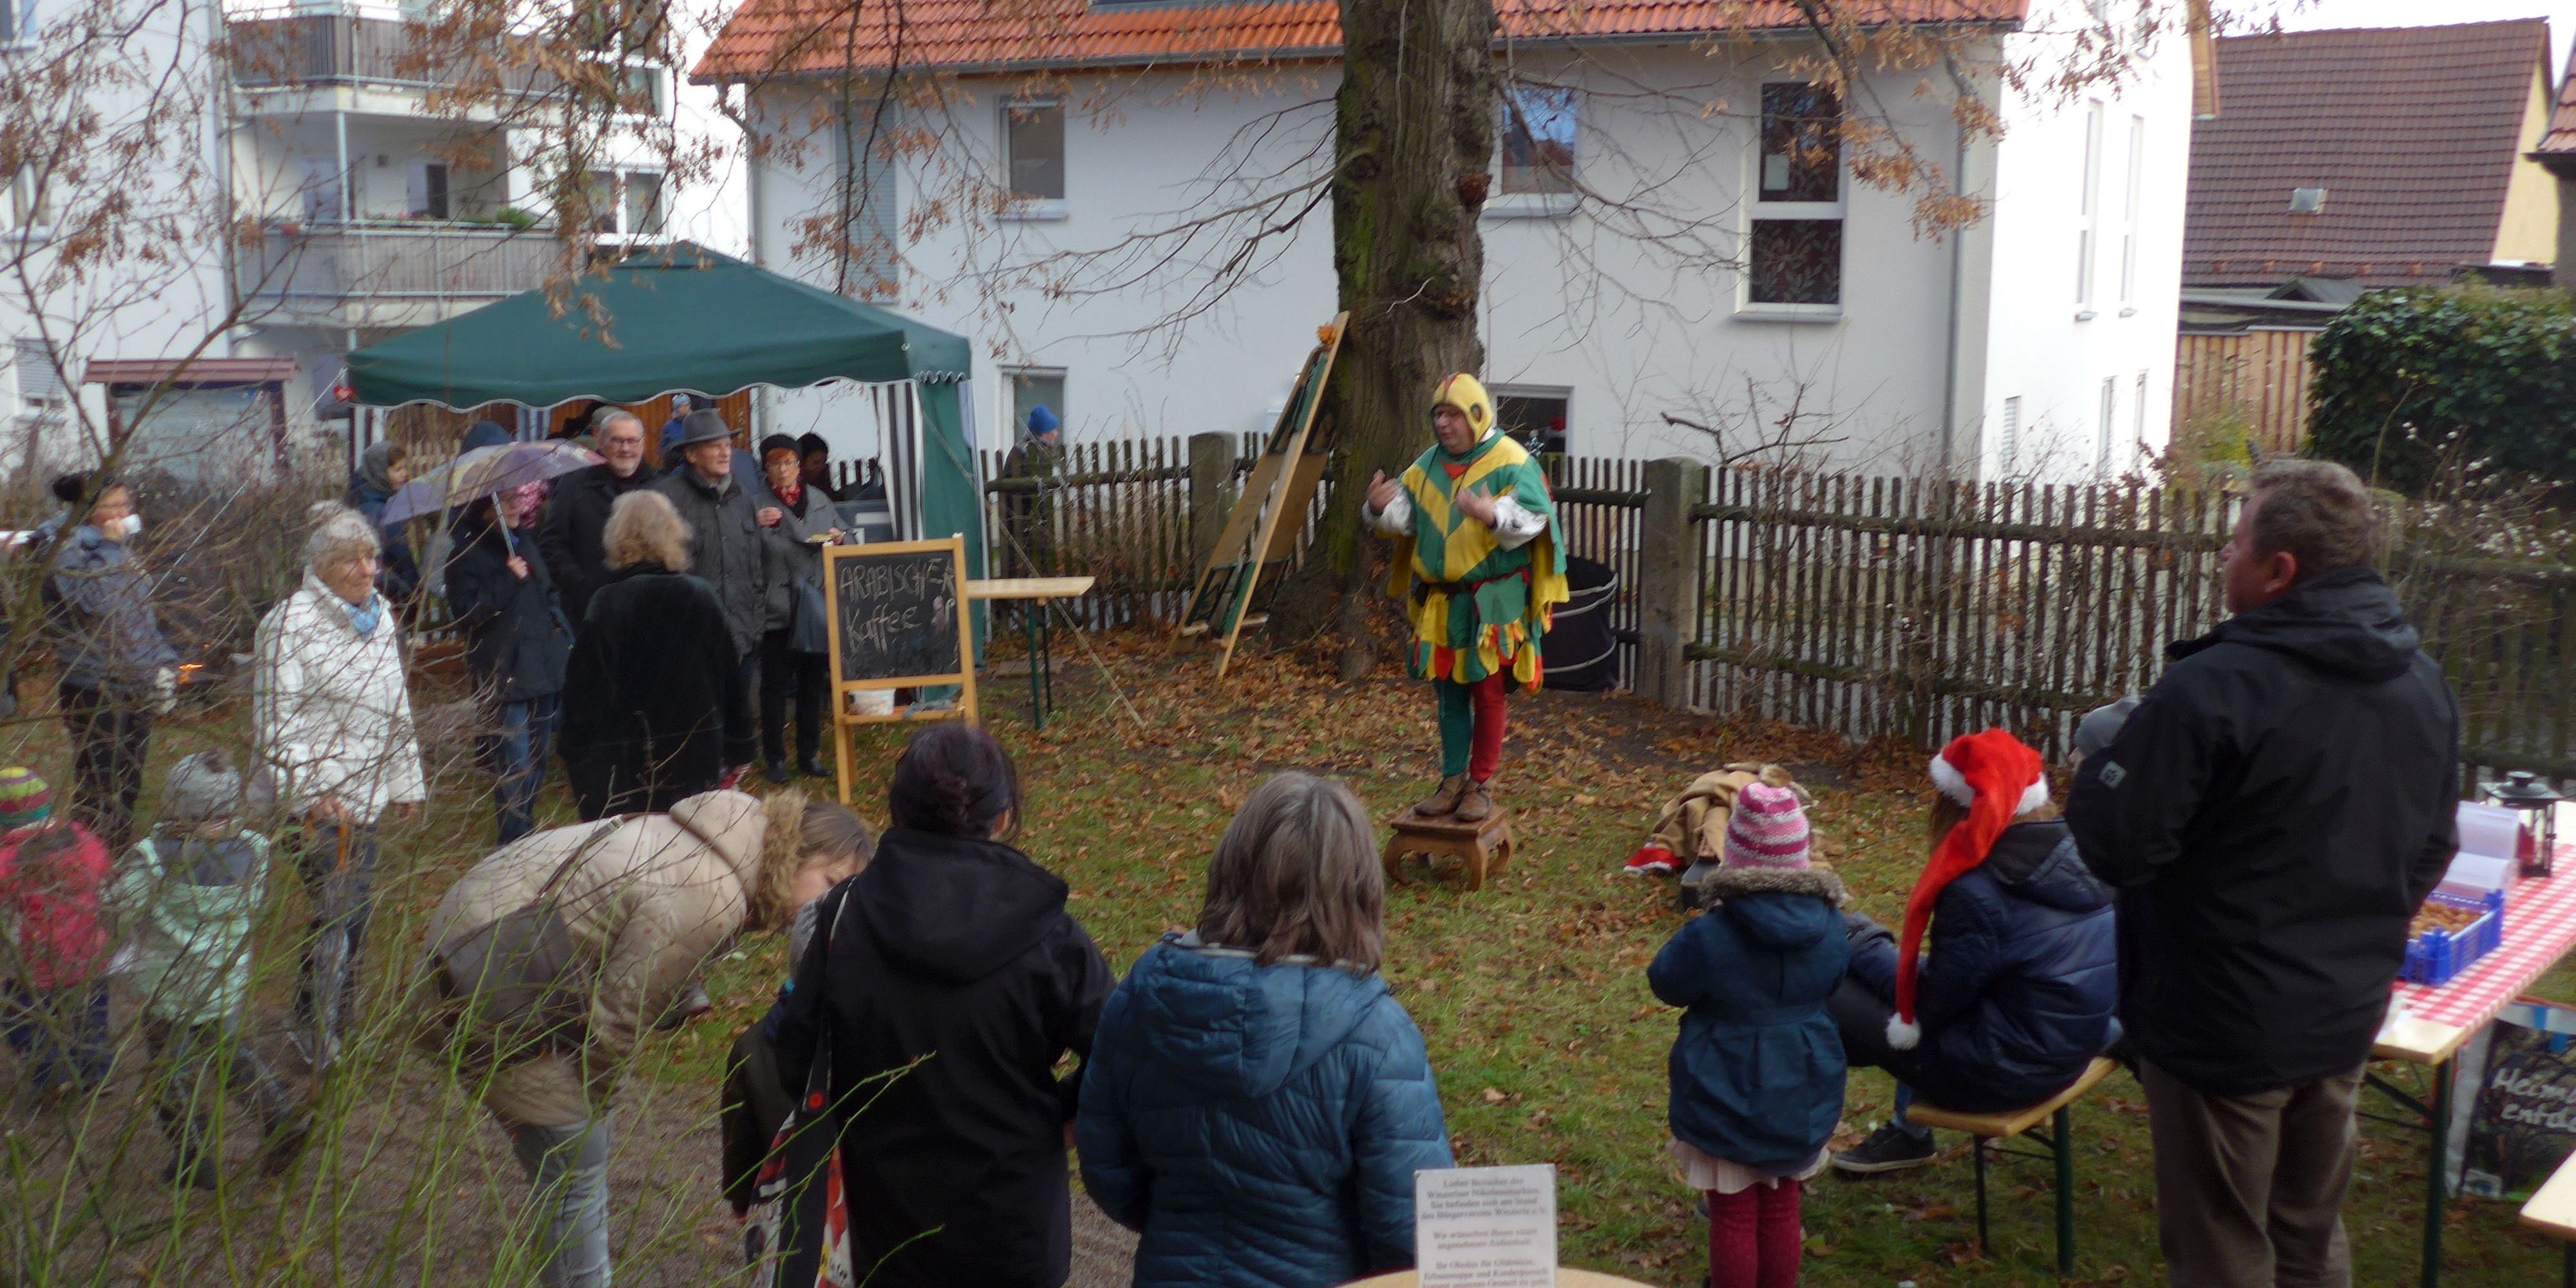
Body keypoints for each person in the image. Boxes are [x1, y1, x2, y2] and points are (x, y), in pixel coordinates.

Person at [2068, 458, 2459, 1288]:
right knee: (2308, 1236)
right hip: (2342, 1010)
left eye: (2235, 537)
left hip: (2223, 1027)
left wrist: (2097, 773)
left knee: (2223, 1247)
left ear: (2278, 570)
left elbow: (2120, 847)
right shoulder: (2421, 682)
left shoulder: (2213, 687)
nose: (2222, 553)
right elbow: (2433, 845)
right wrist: (2356, 934)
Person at [425, 788, 829, 1288]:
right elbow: (614, 1023)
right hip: (491, 972)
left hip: (486, 933)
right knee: (575, 1163)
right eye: (830, 882)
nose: (826, 905)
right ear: (801, 853)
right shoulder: (716, 891)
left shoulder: (723, 836)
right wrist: (595, 1102)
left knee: (572, 1154)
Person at [1077, 771, 1454, 1287]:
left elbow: (1107, 1168)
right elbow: (1411, 1233)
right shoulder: (1380, 1039)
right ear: (1358, 889)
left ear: (1233, 866)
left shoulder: (1140, 1003)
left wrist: (1185, 1226)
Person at [771, 725, 1114, 1288]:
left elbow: (796, 1060)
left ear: (896, 813)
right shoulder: (1050, 935)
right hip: (1012, 1231)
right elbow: (1122, 1046)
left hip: (881, 1223)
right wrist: (1061, 1115)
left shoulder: (834, 923)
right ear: (1002, 818)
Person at [1827, 729, 2116, 1174]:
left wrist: (1861, 940)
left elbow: (1927, 1005)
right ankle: (1903, 1133)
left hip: (2001, 1075)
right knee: (1874, 986)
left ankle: (1777, 1155)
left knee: (1825, 987)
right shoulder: (2076, 851)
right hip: (2063, 1052)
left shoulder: (1980, 889)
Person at [1646, 782, 1848, 1288]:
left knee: (1733, 1212)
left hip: (1724, 1084)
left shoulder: (1713, 935)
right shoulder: (1831, 927)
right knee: (1781, 1204)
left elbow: (1665, 982)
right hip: (1803, 1081)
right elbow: (1836, 978)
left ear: (1734, 861)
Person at [254, 503, 428, 1070]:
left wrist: (406, 781)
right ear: (320, 566)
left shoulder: (380, 618)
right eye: (351, 560)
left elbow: (395, 705)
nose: (365, 569)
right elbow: (277, 722)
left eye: (371, 557)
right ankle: (313, 1026)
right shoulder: (289, 625)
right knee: (337, 911)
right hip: (317, 808)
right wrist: (309, 793)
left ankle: (336, 1016)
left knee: (357, 914)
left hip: (367, 798)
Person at [1361, 374, 1567, 824]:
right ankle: (1451, 781)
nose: (1443, 424)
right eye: (1438, 415)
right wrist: (1378, 508)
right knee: (1449, 693)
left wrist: (1490, 513)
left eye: (1452, 414)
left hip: (1493, 603)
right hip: (1443, 602)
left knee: (1488, 691)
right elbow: (1405, 518)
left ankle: (1481, 785)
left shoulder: (1512, 460)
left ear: (1476, 414)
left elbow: (1535, 518)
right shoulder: (1427, 465)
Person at [108, 751, 308, 1188]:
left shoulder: (155, 859)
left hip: (171, 989)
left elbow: (119, 903)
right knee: (230, 1054)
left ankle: (193, 1159)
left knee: (170, 1074)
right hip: (224, 984)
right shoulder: (254, 850)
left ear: (175, 805)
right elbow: (254, 905)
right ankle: (280, 1118)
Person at [719, 796, 876, 1249]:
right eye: (829, 882)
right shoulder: (880, 1043)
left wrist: (740, 1197)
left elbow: (741, 1149)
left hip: (788, 1236)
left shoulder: (752, 1049)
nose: (828, 903)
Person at [557, 491, 753, 819]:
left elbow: (583, 696)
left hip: (629, 763)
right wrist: (741, 746)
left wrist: (575, 754)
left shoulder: (608, 604)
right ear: (673, 533)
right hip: (698, 758)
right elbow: (731, 680)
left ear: (617, 537)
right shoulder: (700, 596)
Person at [38, 473, 177, 848]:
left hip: (135, 681)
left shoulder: (115, 548)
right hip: (94, 684)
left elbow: (139, 616)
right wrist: (112, 550)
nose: (123, 514)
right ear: (86, 511)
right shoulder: (65, 548)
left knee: (129, 785)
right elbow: (96, 603)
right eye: (112, 507)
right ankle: (90, 868)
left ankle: (116, 869)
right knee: (100, 788)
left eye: (125, 505)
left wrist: (164, 664)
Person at [448, 489, 574, 845]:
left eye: (516, 498)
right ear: (484, 508)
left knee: (538, 758)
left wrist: (562, 632)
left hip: (544, 666)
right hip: (504, 673)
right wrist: (507, 578)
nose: (515, 505)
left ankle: (526, 830)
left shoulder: (526, 543)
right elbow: (468, 615)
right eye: (504, 501)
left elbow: (548, 592)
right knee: (514, 762)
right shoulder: (465, 556)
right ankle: (514, 840)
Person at [0, 768, 114, 1094]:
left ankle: (53, 1075)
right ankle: (96, 1074)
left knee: (20, 1018)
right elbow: (105, 868)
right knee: (91, 1018)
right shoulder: (83, 841)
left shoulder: (7, 861)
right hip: (89, 956)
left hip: (36, 966)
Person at [652, 408, 771, 693]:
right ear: (691, 455)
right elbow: (658, 575)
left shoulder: (742, 498)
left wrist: (754, 627)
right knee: (697, 729)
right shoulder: (665, 501)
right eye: (714, 446)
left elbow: (755, 567)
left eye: (728, 445)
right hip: (688, 643)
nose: (725, 453)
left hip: (739, 639)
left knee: (737, 727)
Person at [754, 434, 838, 783]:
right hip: (776, 606)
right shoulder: (756, 505)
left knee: (812, 683)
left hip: (814, 603)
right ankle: (775, 758)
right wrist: (754, 526)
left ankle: (809, 754)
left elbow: (844, 535)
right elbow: (742, 548)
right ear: (767, 470)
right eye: (775, 464)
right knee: (773, 686)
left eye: (788, 462)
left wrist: (840, 538)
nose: (783, 470)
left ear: (798, 466)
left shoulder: (819, 500)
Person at [536, 408, 658, 623]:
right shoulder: (574, 486)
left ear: (643, 444)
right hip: (591, 614)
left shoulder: (660, 487)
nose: (626, 448)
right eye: (617, 441)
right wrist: (581, 586)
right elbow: (552, 544)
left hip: (649, 610)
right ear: (600, 443)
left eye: (632, 441)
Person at [344, 440, 422, 619]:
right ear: (380, 474)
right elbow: (381, 562)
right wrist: (408, 591)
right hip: (386, 603)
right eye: (397, 470)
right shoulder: (376, 512)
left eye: (404, 468)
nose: (405, 474)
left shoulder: (369, 500)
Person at [795, 432, 841, 504]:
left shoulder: (823, 481)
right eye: (816, 462)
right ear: (801, 463)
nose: (821, 467)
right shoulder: (793, 486)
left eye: (824, 462)